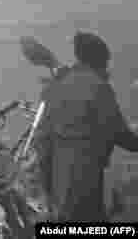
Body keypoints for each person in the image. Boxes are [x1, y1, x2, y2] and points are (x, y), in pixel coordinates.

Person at [32, 32, 138, 221]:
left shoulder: (55, 86)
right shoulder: (97, 86)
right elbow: (120, 133)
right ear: (100, 59)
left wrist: (47, 185)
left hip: (57, 181)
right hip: (85, 179)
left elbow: (41, 139)